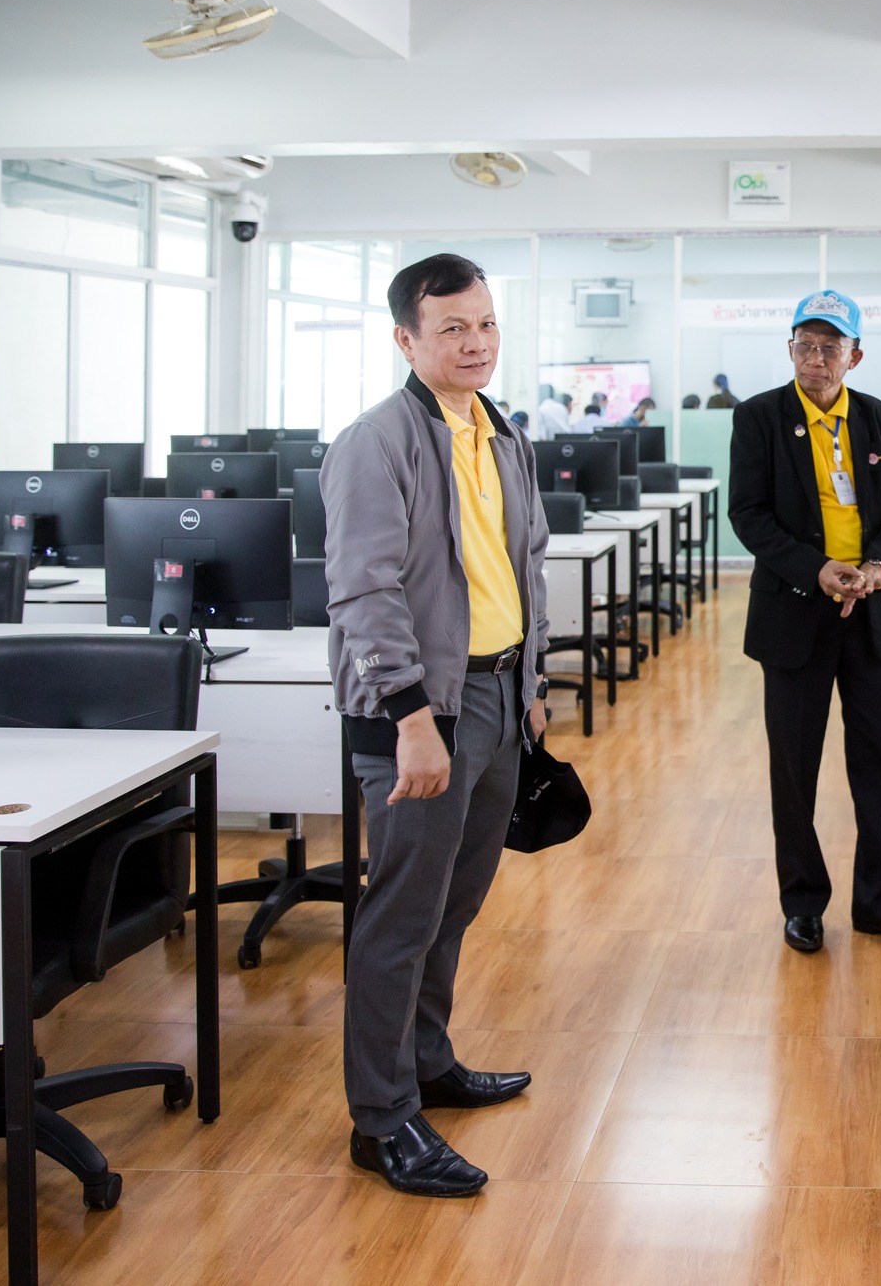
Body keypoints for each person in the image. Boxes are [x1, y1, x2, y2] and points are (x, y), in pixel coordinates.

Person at [322, 252, 550, 1198]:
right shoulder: (375, 443)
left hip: (496, 696)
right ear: (406, 340)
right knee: (402, 913)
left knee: (455, 900)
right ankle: (382, 1119)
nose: (475, 342)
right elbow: (362, 589)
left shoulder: (500, 432)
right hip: (420, 709)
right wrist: (409, 715)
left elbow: (525, 563)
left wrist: (532, 681)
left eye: (486, 324)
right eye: (452, 327)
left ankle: (425, 1061)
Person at [728, 289, 881, 955]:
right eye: (805, 345)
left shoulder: (876, 418)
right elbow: (748, 513)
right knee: (794, 769)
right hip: (795, 612)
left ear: (855, 356)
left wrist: (878, 565)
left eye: (829, 347)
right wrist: (815, 568)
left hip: (870, 612)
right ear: (790, 349)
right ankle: (802, 902)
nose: (815, 359)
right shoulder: (759, 417)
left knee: (880, 763)